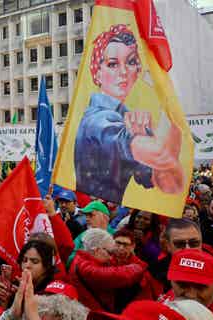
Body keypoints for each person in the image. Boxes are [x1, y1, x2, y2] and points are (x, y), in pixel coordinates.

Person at [74, 23, 184, 204]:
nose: (123, 72)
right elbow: (159, 154)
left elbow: (170, 183)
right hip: (96, 218)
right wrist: (171, 109)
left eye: (131, 62)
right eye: (112, 64)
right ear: (97, 73)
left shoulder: (126, 118)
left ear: (138, 70)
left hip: (111, 218)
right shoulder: (96, 121)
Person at [68, 228, 148, 312]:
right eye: (110, 253)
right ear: (97, 250)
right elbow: (117, 275)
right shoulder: (85, 267)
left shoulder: (85, 260)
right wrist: (138, 267)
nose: (110, 257)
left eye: (125, 245)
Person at [159, 248, 213, 318]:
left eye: (200, 287)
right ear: (171, 282)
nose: (191, 295)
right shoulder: (159, 310)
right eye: (182, 285)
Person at [0, 240, 58, 308]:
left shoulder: (52, 292)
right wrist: (4, 300)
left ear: (47, 266)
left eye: (35, 261)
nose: (27, 265)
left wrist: (26, 298)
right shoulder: (15, 287)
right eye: (24, 260)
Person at [149, 218, 203, 292]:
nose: (187, 249)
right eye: (180, 244)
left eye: (194, 243)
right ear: (167, 245)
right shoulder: (154, 273)